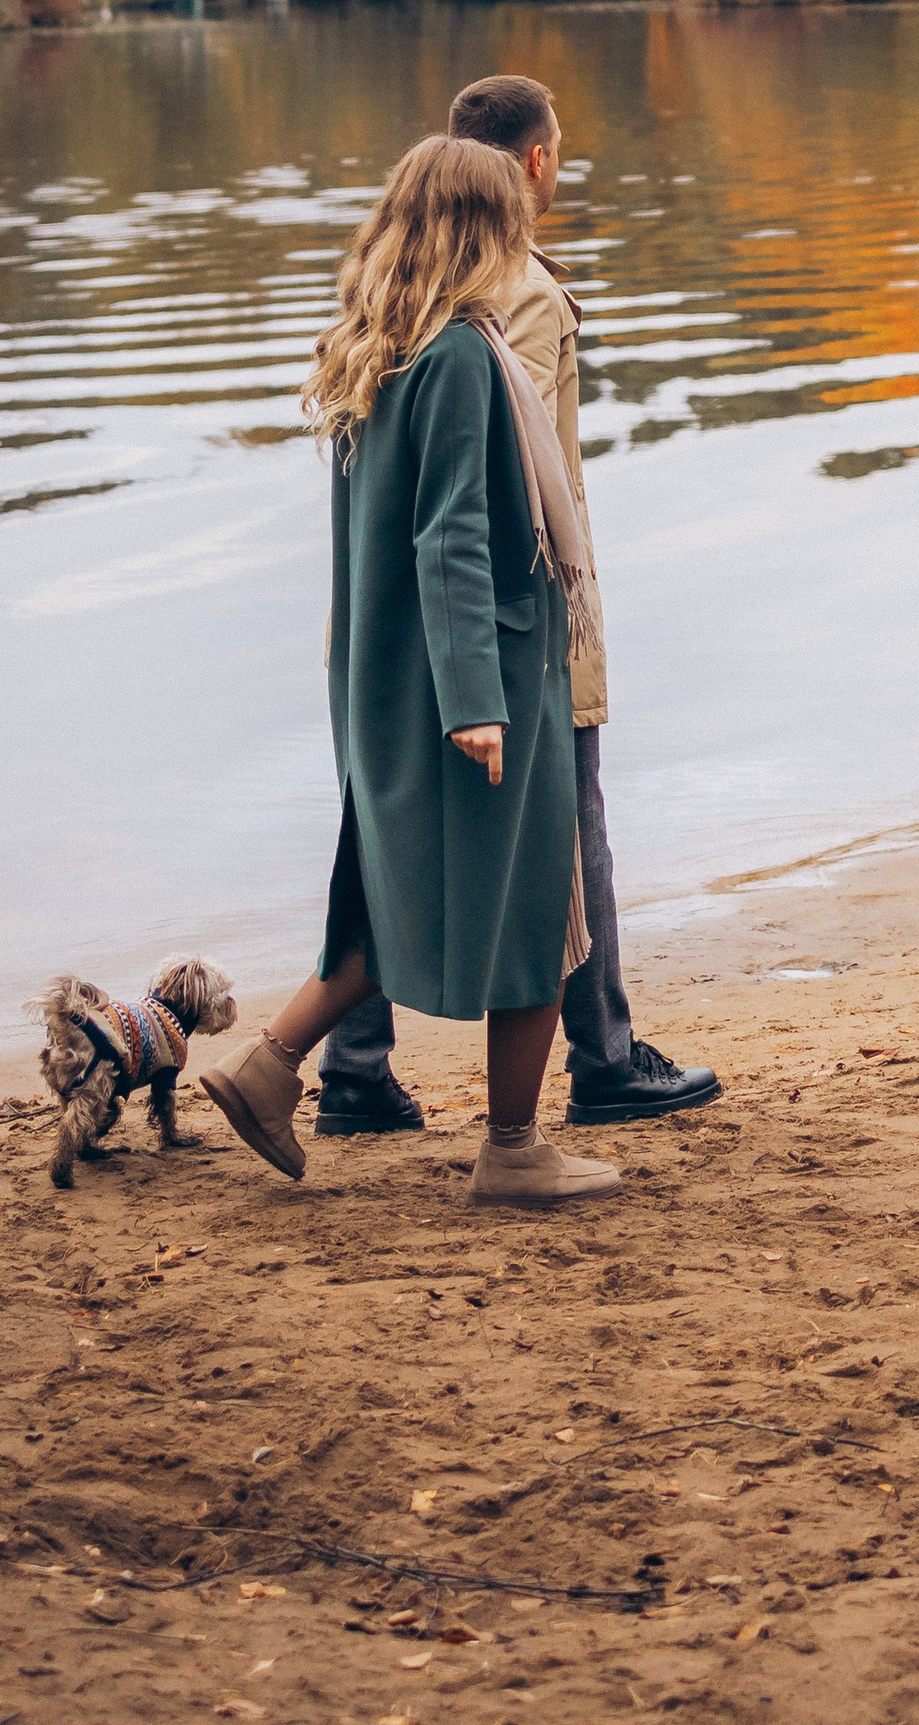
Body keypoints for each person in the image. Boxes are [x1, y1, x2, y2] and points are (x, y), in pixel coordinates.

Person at [201, 135, 621, 1209]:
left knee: (402, 890)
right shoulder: (465, 360)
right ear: (489, 228)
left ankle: (267, 1068)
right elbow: (453, 538)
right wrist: (478, 699)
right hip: (469, 683)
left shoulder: (374, 348)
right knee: (543, 904)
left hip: (384, 677)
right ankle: (515, 1149)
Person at [313, 72, 720, 1135]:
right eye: (560, 151)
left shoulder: (383, 293)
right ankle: (601, 1058)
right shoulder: (510, 300)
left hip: (383, 632)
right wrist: (491, 673)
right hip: (497, 630)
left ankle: (352, 1073)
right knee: (562, 842)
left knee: (383, 834)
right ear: (530, 167)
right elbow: (496, 483)